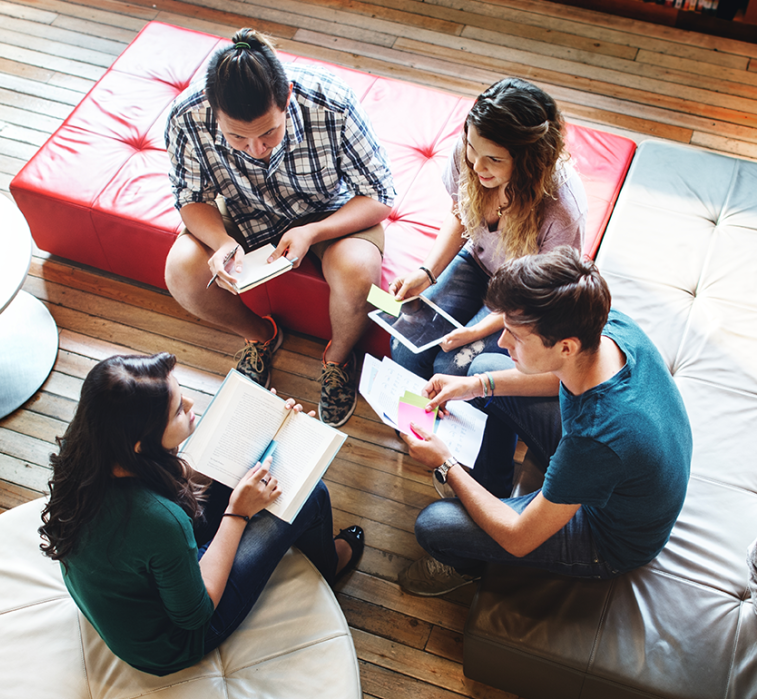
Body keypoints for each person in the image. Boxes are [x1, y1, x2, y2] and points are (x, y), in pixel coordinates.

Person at [38, 353, 365, 676]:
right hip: (172, 640)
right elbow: (195, 615)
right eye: (179, 409)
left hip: (134, 585)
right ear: (140, 443)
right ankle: (328, 567)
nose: (192, 404)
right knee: (311, 495)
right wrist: (238, 512)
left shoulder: (86, 449)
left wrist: (263, 430)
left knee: (248, 472)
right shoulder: (159, 519)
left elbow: (177, 480)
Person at [395, 247, 691, 597]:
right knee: (483, 370)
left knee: (433, 526)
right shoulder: (606, 323)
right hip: (617, 472)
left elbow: (519, 538)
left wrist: (446, 464)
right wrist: (474, 387)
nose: (503, 342)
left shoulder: (595, 439)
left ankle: (468, 566)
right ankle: (493, 486)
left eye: (516, 337)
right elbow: (561, 378)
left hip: (610, 538)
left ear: (565, 347)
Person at [164, 28, 396, 427]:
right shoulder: (187, 117)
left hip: (329, 212)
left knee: (359, 273)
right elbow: (190, 197)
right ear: (213, 110)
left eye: (269, 132)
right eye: (238, 137)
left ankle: (338, 359)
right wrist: (220, 242)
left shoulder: (332, 103)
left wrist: (314, 232)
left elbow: (380, 195)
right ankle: (259, 335)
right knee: (180, 270)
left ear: (287, 97)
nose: (257, 149)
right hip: (241, 211)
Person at [390, 78, 587, 379]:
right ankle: (409, 426)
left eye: (494, 159)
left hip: (526, 292)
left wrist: (475, 332)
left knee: (454, 366)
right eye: (472, 147)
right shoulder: (468, 154)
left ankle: (436, 425)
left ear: (528, 163)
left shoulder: (562, 209)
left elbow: (540, 293)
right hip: (477, 262)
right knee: (406, 344)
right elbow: (460, 213)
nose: (477, 166)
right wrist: (427, 273)